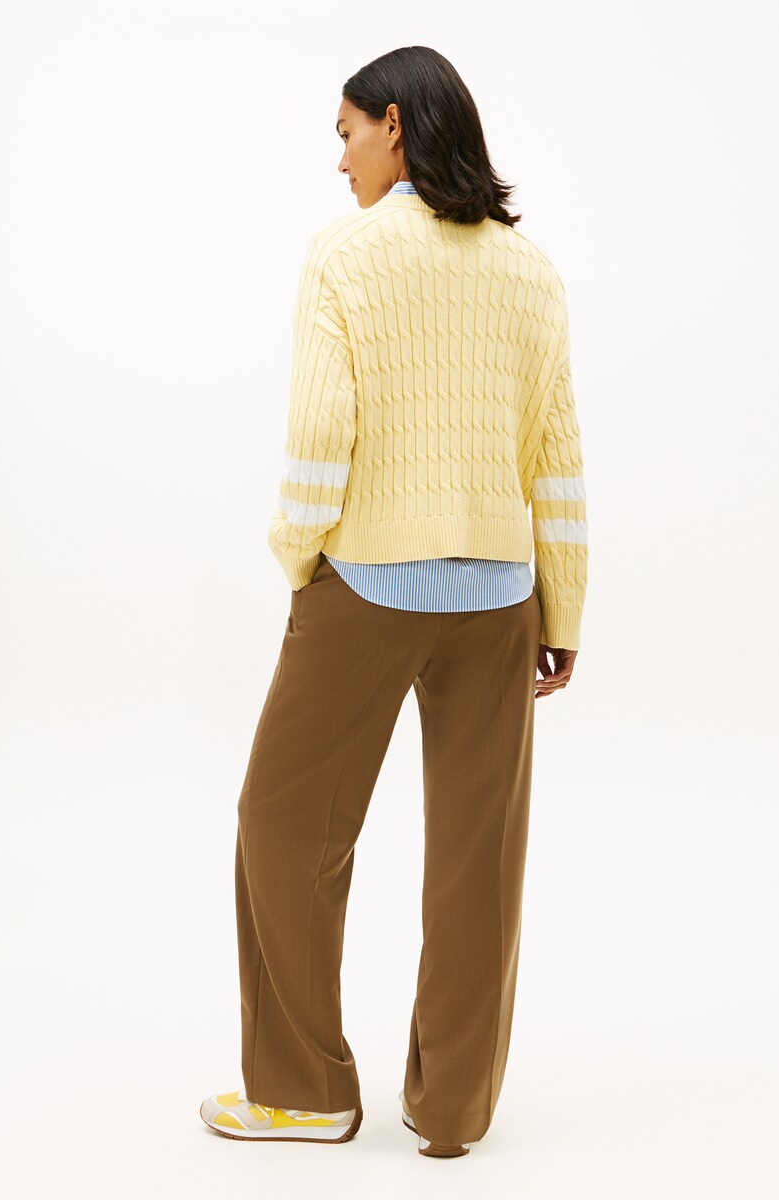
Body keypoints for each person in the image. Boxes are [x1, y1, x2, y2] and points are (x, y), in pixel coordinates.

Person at [200, 45, 588, 1159]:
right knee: (479, 859)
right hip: (502, 598)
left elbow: (323, 431)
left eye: (346, 134)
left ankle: (302, 1091)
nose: (340, 161)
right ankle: (453, 1111)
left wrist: (298, 556)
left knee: (282, 824)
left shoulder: (346, 254)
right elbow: (555, 452)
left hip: (366, 584)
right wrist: (563, 610)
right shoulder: (531, 270)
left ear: (396, 128)